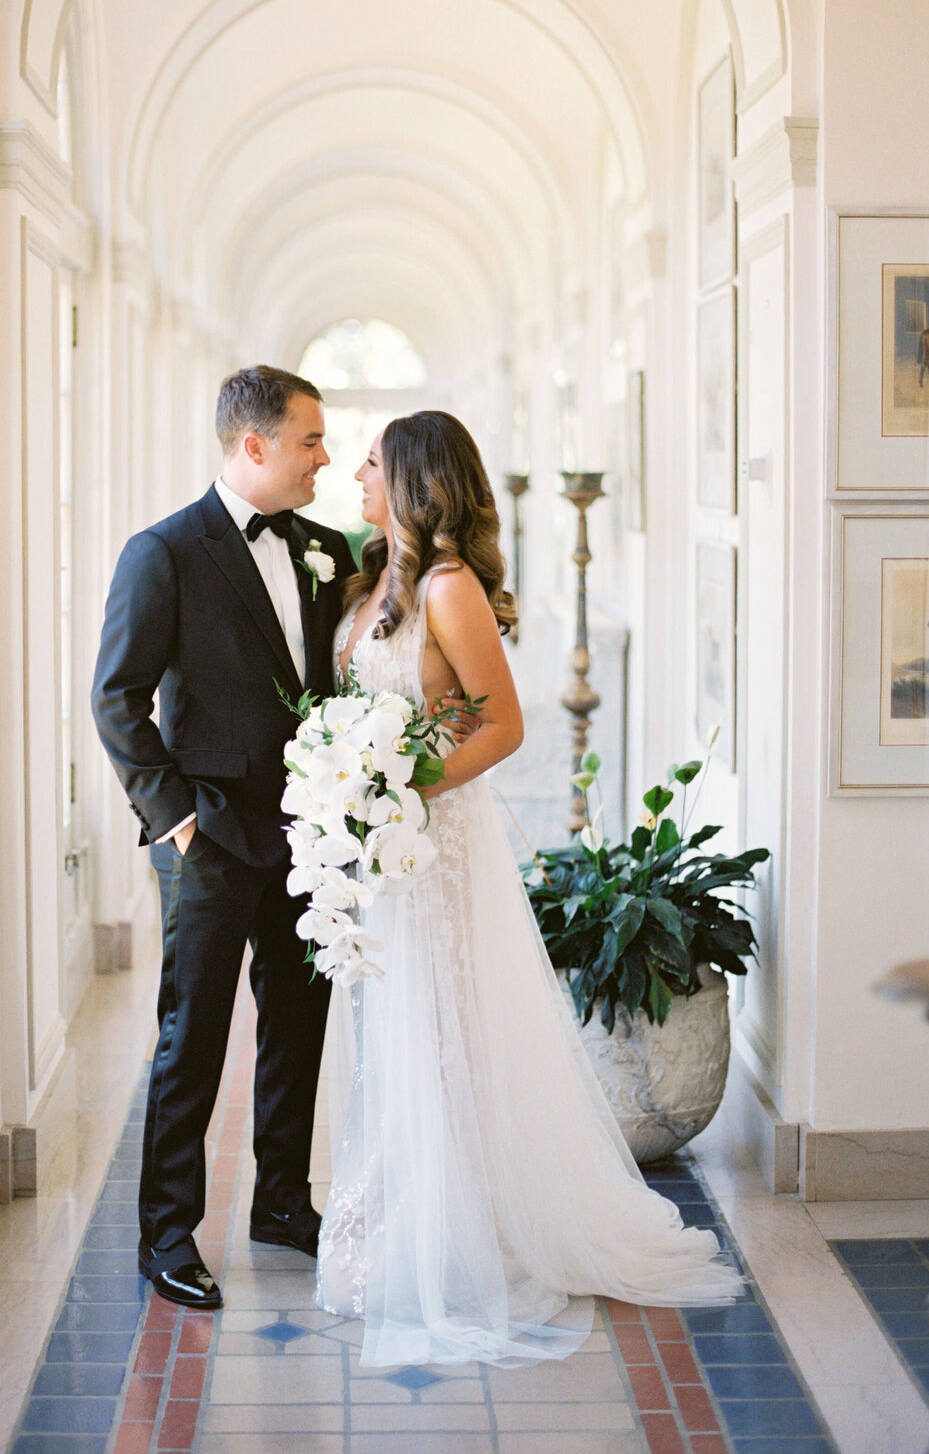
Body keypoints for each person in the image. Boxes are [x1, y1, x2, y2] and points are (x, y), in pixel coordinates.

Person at [316, 410, 743, 1366]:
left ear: (417, 481)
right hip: (383, 852)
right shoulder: (376, 577)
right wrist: (346, 786)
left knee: (449, 1030)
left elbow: (501, 726)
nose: (355, 472)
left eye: (374, 462)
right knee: (397, 1030)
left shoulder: (450, 588)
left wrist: (398, 789)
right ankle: (399, 1219)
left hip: (435, 843)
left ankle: (471, 1237)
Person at [92, 365, 357, 1309]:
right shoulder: (162, 551)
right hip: (209, 835)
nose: (324, 456)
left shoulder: (327, 548)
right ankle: (167, 1234)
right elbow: (115, 698)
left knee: (298, 1020)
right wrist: (177, 818)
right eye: (310, 440)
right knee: (192, 1034)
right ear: (255, 445)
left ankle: (284, 1200)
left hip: (310, 832)